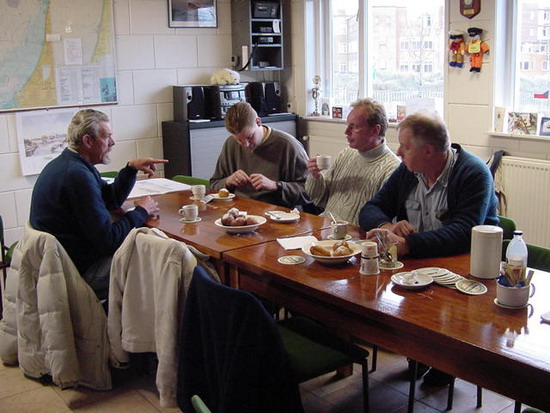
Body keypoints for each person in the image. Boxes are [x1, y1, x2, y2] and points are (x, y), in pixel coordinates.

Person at [359, 112, 498, 386]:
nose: (398, 152)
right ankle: (419, 353)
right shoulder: (409, 171)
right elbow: (371, 207)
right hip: (418, 265)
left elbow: (463, 232)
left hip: (465, 270)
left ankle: (446, 359)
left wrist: (410, 244)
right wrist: (387, 226)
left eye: (405, 146)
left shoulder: (473, 174)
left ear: (429, 151)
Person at [30, 109, 168, 300]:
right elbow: (108, 241)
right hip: (78, 272)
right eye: (107, 137)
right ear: (88, 141)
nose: (112, 143)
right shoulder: (77, 176)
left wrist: (130, 169)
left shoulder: (71, 163)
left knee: (153, 253)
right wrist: (141, 211)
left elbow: (110, 199)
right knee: (161, 264)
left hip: (64, 262)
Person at [305, 98, 400, 225]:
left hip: (355, 238)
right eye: (347, 126)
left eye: (353, 127)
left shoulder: (391, 168)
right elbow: (318, 199)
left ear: (375, 130)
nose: (346, 132)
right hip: (327, 227)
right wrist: (316, 176)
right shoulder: (346, 154)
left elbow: (382, 221)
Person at [210, 102, 311, 209]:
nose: (246, 145)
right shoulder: (230, 144)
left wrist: (276, 186)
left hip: (278, 214)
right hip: (239, 210)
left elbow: (310, 193)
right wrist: (228, 181)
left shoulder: (289, 146)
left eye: (250, 137)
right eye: (239, 140)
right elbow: (214, 185)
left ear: (258, 122)